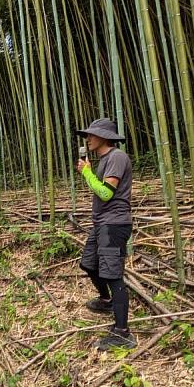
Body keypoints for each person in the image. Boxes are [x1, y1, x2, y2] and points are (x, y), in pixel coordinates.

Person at [75, 118, 135, 351]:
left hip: (114, 224)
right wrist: (90, 172)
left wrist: (87, 174)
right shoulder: (104, 161)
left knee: (113, 276)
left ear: (104, 137)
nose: (87, 139)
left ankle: (122, 333)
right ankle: (108, 301)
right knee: (89, 264)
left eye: (91, 135)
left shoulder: (117, 157)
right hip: (102, 224)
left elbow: (106, 193)